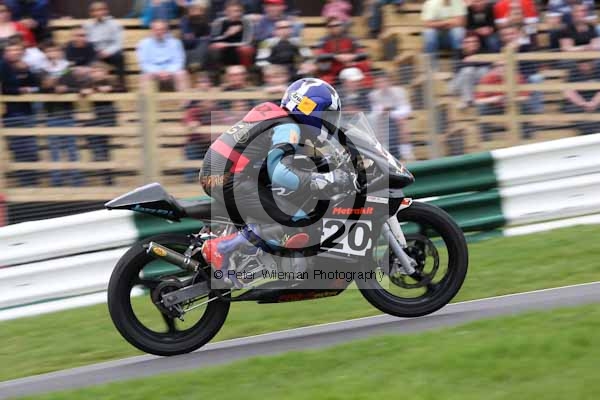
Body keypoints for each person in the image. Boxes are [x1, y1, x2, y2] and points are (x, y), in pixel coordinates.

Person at [199, 78, 357, 283]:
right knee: (297, 218)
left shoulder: (277, 117)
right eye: (326, 115)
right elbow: (280, 172)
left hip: (223, 174)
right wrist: (324, 179)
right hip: (228, 178)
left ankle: (253, 254)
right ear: (311, 109)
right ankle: (222, 247)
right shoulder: (288, 127)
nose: (329, 122)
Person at [40, 41, 84, 187]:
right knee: (55, 150)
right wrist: (51, 85)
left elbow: (76, 87)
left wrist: (66, 89)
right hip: (51, 114)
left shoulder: (67, 68)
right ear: (46, 53)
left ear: (60, 52)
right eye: (49, 51)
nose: (52, 53)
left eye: (55, 50)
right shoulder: (42, 69)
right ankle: (57, 181)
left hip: (67, 114)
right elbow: (42, 87)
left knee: (72, 149)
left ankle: (76, 180)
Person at [0, 38, 40, 186]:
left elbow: (36, 85)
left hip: (27, 111)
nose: (15, 52)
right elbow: (4, 88)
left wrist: (26, 72)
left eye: (17, 50)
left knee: (31, 149)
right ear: (6, 52)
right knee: (20, 149)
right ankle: (25, 183)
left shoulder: (24, 66)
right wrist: (19, 90)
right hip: (11, 113)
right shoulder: (3, 66)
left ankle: (32, 182)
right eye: (11, 50)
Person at [368, 70, 414, 161]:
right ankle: (381, 153)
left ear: (389, 82)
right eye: (379, 82)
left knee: (402, 121)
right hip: (382, 119)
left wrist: (390, 112)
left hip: (397, 118)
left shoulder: (400, 91)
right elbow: (375, 112)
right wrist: (385, 112)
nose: (382, 84)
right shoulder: (373, 95)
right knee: (378, 122)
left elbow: (406, 109)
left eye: (384, 81)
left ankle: (406, 153)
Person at [315, 17, 371, 85]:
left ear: (342, 26)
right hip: (332, 70)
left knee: (367, 80)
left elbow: (363, 54)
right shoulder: (323, 40)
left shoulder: (352, 38)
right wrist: (335, 56)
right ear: (328, 28)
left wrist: (353, 56)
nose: (335, 27)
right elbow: (319, 56)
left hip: (351, 66)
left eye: (338, 25)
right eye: (331, 26)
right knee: (324, 83)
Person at [137, 20, 189, 92]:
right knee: (144, 77)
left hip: (171, 71)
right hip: (153, 72)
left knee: (181, 74)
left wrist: (168, 71)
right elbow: (144, 63)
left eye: (162, 29)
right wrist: (158, 72)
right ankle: (145, 100)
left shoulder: (175, 43)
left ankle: (184, 99)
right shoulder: (144, 44)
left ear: (166, 31)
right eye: (156, 30)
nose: (159, 32)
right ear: (152, 30)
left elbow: (178, 62)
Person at [84, 1, 126, 90]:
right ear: (91, 13)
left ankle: (121, 85)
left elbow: (118, 43)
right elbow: (87, 42)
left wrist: (107, 51)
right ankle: (91, 86)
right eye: (96, 11)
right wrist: (97, 51)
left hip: (110, 53)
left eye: (101, 10)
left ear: (106, 11)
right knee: (87, 57)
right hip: (95, 53)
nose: (99, 13)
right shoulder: (87, 26)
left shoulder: (115, 24)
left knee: (120, 56)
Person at [208, 0, 255, 69]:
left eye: (238, 11)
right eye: (231, 11)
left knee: (246, 49)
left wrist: (227, 44)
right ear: (226, 12)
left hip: (239, 49)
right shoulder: (219, 22)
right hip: (224, 51)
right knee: (214, 47)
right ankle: (218, 71)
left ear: (242, 12)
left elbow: (248, 41)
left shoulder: (247, 22)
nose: (235, 14)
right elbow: (213, 39)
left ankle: (246, 70)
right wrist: (227, 34)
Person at [450, 33, 490, 109]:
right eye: (468, 42)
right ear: (463, 44)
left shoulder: (483, 51)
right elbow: (457, 67)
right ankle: (468, 101)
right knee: (468, 70)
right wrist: (477, 61)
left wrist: (472, 60)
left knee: (484, 70)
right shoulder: (458, 53)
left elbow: (489, 63)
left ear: (478, 43)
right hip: (457, 85)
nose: (472, 44)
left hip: (473, 83)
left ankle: (481, 98)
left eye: (475, 41)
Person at [421, 0, 466, 65]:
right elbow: (427, 24)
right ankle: (431, 66)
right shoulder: (431, 3)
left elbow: (461, 22)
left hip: (452, 38)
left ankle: (457, 64)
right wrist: (448, 22)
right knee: (429, 33)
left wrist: (437, 24)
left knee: (458, 31)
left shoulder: (458, 2)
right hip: (436, 38)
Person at [563, 60, 600, 135]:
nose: (584, 66)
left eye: (586, 63)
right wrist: (582, 103)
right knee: (572, 110)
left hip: (596, 101)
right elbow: (568, 91)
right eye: (581, 64)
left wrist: (594, 103)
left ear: (592, 63)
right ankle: (591, 134)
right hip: (579, 102)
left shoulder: (598, 70)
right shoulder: (573, 71)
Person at [180, 0, 211, 71]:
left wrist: (195, 37)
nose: (194, 11)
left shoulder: (205, 19)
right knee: (202, 42)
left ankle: (196, 64)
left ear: (201, 11)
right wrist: (199, 38)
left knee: (205, 43)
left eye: (196, 9)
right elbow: (187, 38)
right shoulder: (185, 20)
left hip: (202, 44)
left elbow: (208, 36)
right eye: (192, 9)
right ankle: (196, 64)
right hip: (188, 44)